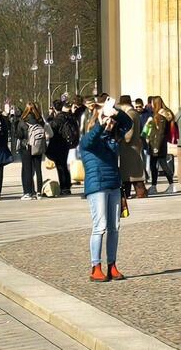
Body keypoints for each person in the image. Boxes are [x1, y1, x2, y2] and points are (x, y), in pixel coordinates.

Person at [81, 98, 127, 282]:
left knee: (114, 227)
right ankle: (95, 266)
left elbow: (128, 124)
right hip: (97, 186)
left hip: (113, 184)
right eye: (109, 120)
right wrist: (101, 122)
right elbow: (92, 138)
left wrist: (115, 111)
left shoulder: (112, 138)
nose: (111, 124)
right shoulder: (88, 140)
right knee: (100, 227)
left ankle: (112, 265)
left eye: (112, 121)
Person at [17, 102, 49, 200]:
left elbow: (19, 135)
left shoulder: (23, 121)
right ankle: (39, 192)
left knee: (27, 170)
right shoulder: (40, 120)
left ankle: (28, 192)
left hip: (26, 146)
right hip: (38, 146)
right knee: (38, 169)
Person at [47, 98, 78, 195]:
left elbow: (50, 128)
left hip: (58, 144)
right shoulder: (69, 117)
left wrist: (50, 115)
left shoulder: (57, 119)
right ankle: (67, 185)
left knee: (60, 166)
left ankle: (64, 187)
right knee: (64, 165)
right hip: (66, 144)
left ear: (54, 108)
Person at [145, 97, 176, 194]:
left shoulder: (161, 116)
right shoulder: (160, 115)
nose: (151, 105)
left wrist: (156, 147)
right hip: (156, 143)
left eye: (152, 103)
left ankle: (171, 185)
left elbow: (160, 133)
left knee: (162, 164)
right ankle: (154, 186)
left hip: (157, 144)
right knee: (154, 165)